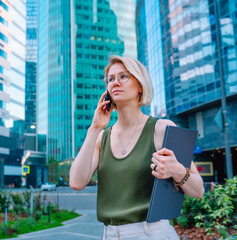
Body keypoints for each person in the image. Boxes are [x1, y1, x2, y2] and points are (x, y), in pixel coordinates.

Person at [69, 55, 205, 240]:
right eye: (110, 79)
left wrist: (177, 170)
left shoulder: (163, 128)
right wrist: (94, 128)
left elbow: (198, 191)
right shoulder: (102, 137)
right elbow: (76, 183)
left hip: (151, 233)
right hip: (109, 234)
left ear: (140, 85)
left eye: (123, 76)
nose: (115, 82)